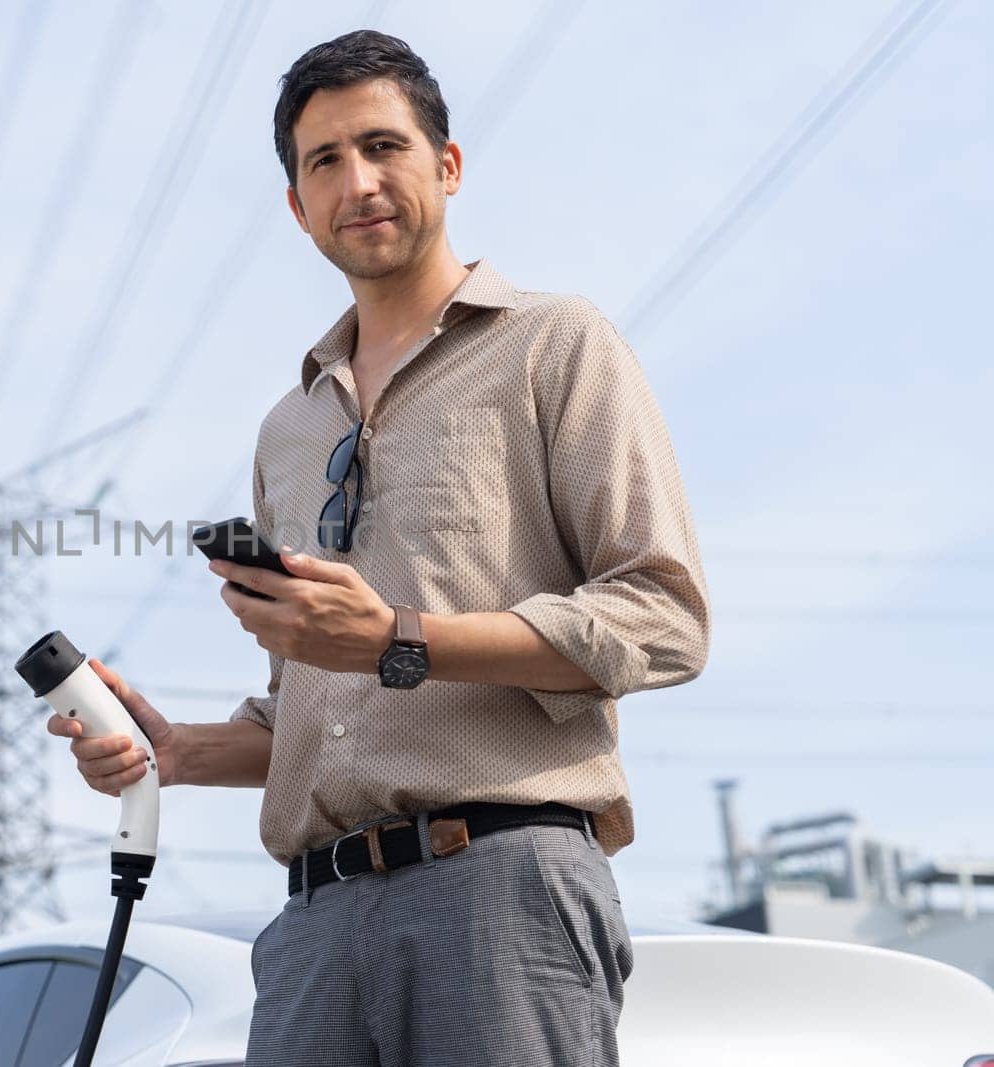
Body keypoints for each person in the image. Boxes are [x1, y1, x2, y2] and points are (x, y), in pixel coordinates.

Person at [46, 28, 710, 1067]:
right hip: (314, 927)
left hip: (498, 894)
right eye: (324, 162)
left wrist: (402, 635)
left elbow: (664, 621)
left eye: (382, 146)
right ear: (296, 206)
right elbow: (320, 707)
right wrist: (177, 753)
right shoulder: (287, 427)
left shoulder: (554, 343)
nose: (358, 181)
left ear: (445, 163)